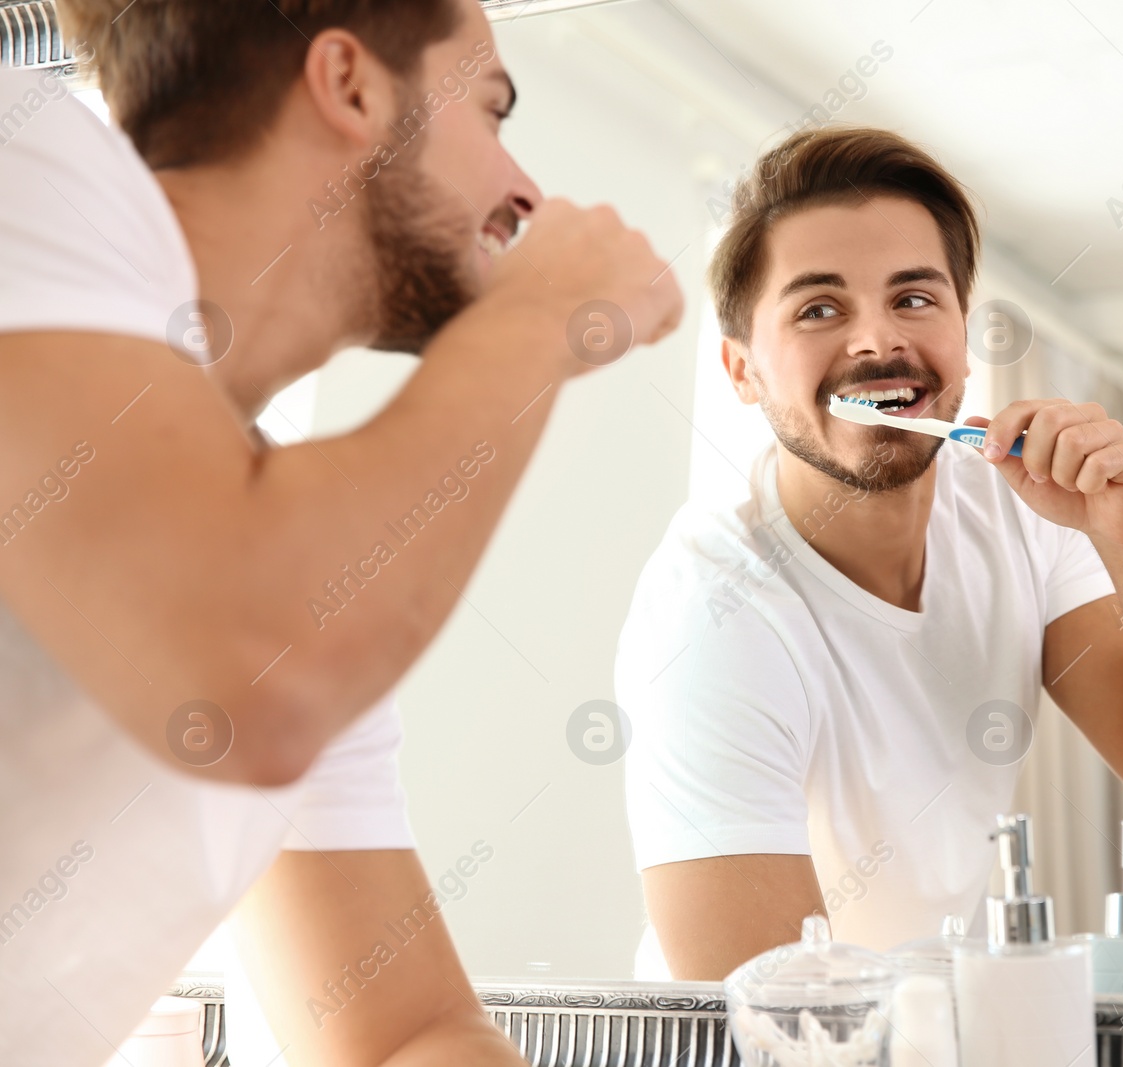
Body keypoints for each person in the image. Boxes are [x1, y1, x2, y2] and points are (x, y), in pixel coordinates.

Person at [0, 0, 683, 1061]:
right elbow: (248, 668)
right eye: (492, 114)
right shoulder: (24, 150)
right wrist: (545, 311)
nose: (528, 193)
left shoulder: (300, 544)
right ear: (350, 85)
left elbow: (405, 1029)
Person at [616, 125, 1123, 980]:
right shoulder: (712, 611)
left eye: (914, 299)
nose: (875, 342)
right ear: (742, 371)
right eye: (819, 308)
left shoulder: (1027, 514)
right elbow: (770, 1016)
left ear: (964, 332)